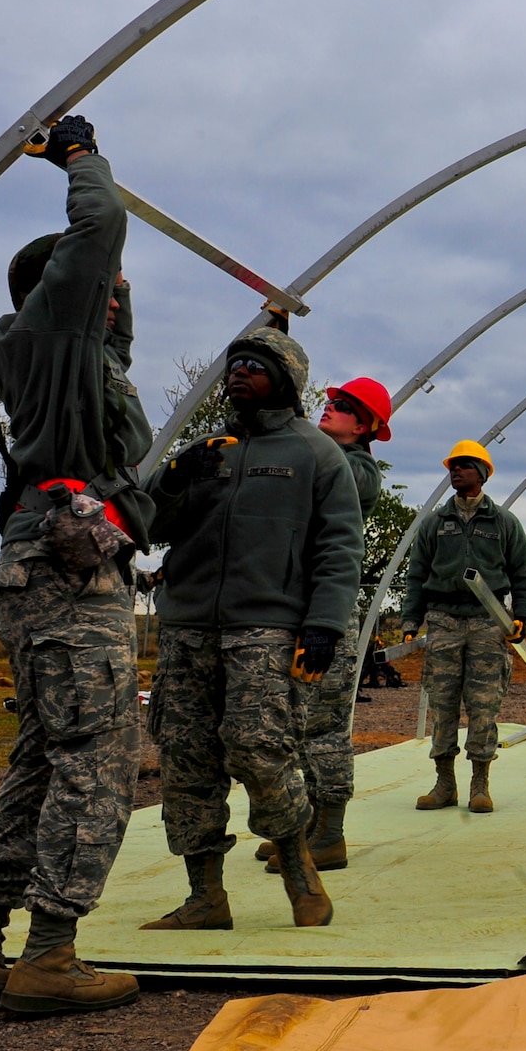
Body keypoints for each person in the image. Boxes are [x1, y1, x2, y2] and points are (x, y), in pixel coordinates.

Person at [0, 116, 149, 1013]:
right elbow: (99, 226)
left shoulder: (64, 362)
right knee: (97, 760)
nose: (112, 299)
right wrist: (78, 156)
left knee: (43, 751)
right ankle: (50, 955)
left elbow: (115, 367)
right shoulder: (49, 328)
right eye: (105, 293)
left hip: (40, 562)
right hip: (68, 577)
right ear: (63, 293)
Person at [140, 329, 363, 932]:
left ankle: (299, 872)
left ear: (285, 378)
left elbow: (340, 549)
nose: (237, 372)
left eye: (254, 365)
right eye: (233, 363)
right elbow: (149, 525)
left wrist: (324, 625)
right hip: (188, 629)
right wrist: (174, 476)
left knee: (261, 753)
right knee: (186, 761)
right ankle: (205, 897)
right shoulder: (205, 449)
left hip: (266, 631)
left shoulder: (318, 456)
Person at [257, 377, 391, 873]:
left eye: (341, 407)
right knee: (289, 722)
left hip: (327, 614)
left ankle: (330, 834)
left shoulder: (356, 471)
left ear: (364, 426)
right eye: (328, 403)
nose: (327, 410)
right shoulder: (315, 456)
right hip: (291, 606)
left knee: (326, 725)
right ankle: (304, 823)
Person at [398, 439, 526, 815]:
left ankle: (480, 783)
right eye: (452, 465)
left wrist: (521, 616)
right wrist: (411, 620)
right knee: (442, 705)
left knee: (483, 705)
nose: (455, 471)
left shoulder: (503, 522)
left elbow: (522, 573)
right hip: (443, 620)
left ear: (483, 473)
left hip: (488, 623)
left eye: (464, 465)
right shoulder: (435, 524)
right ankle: (445, 784)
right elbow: (416, 574)